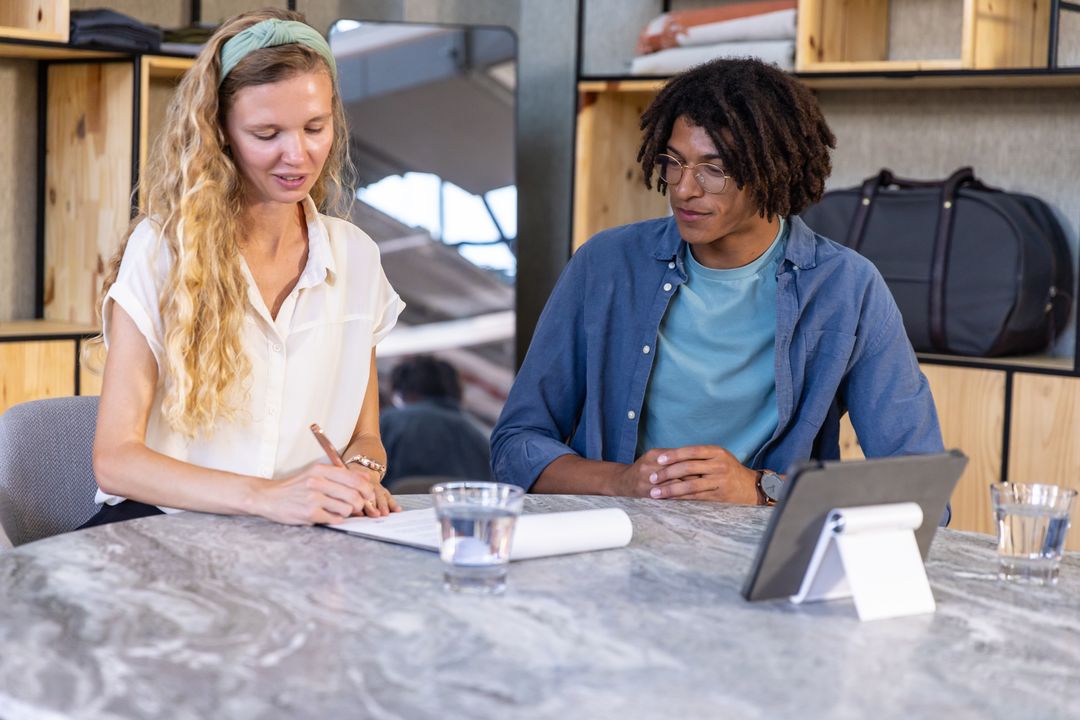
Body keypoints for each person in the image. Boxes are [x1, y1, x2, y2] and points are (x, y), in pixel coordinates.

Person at [490, 58, 945, 514]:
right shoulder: (605, 265)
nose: (684, 189)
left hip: (764, 560)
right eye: (674, 162)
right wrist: (622, 480)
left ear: (773, 169)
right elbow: (515, 447)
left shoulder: (846, 287)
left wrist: (761, 489)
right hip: (618, 546)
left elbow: (921, 489)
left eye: (714, 169)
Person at [87, 9, 404, 528]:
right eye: (266, 133)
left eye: (314, 127)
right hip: (160, 530)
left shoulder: (358, 258)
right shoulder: (163, 250)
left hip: (290, 540)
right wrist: (267, 496)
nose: (296, 155)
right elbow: (115, 461)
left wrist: (361, 473)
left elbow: (366, 437)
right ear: (222, 134)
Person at [379, 355, 493, 487]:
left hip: (402, 506)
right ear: (456, 391)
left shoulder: (390, 421)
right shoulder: (482, 435)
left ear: (401, 393)